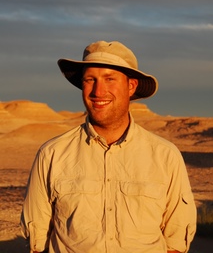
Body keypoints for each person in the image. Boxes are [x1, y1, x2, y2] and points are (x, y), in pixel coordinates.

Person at [21, 40, 197, 253]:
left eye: (109, 79)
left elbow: (175, 243)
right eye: (90, 80)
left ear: (131, 86)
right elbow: (37, 242)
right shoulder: (51, 154)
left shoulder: (166, 156)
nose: (98, 90)